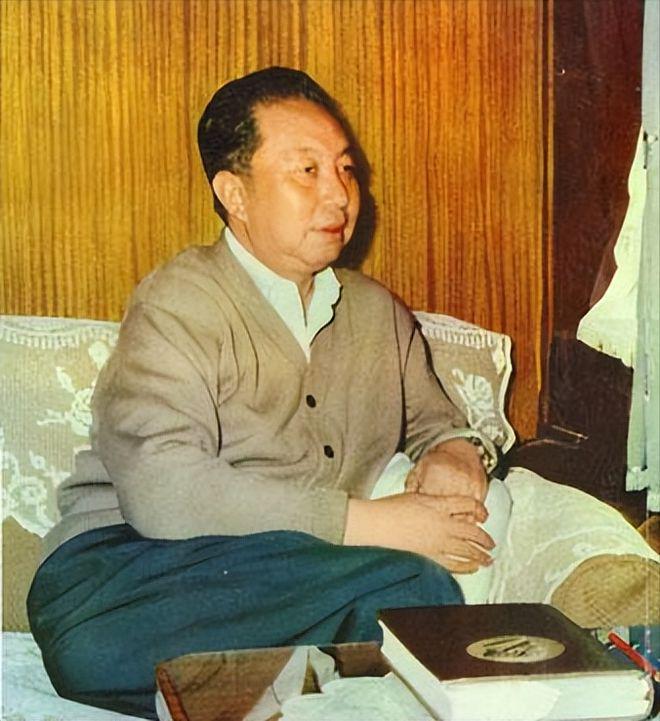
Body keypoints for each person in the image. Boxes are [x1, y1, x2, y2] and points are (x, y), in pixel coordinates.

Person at [27, 67, 500, 720]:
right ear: (235, 194)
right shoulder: (180, 301)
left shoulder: (375, 312)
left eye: (345, 169)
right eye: (306, 171)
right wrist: (369, 522)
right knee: (407, 586)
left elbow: (437, 421)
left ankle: (256, 691)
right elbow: (165, 490)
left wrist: (456, 451)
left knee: (410, 596)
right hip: (129, 572)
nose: (338, 194)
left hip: (300, 579)